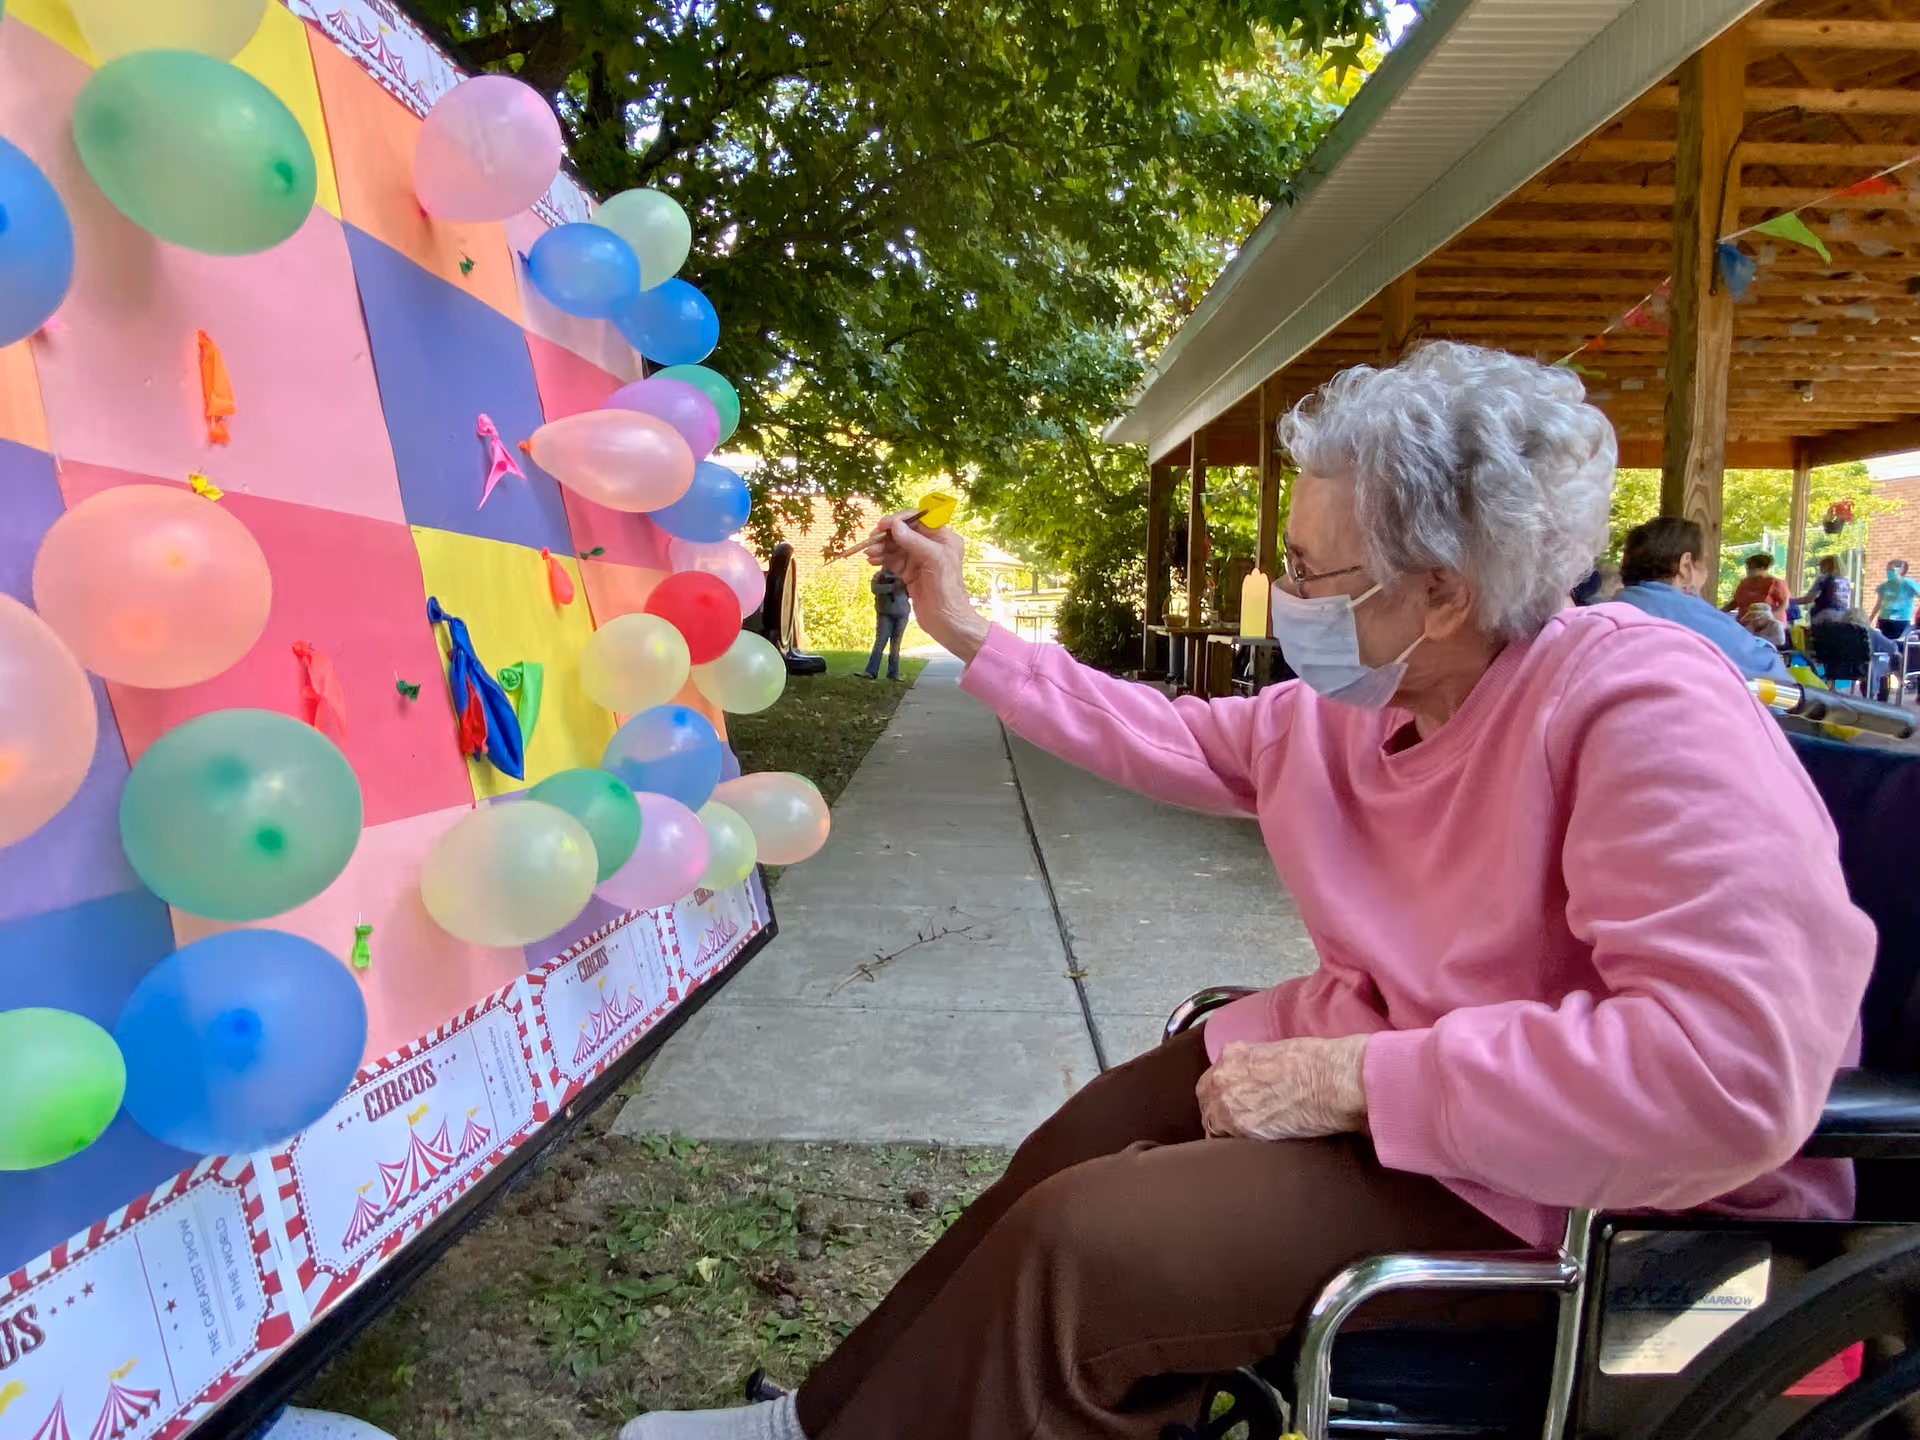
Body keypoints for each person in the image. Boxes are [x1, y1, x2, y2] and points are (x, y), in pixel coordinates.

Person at [621, 343, 1871, 1440]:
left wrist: (1352, 1080)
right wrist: (961, 626)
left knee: (1090, 1250)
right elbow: (1163, 734)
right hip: (1402, 1089)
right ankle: (820, 1421)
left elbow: (1725, 1073)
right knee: (1069, 1149)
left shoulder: (1642, 706)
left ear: (1441, 590)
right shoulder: (1359, 704)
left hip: (1587, 1186)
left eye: (1316, 574)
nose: (1285, 602)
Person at [1612, 516, 1794, 683]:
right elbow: (1775, 677)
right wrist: (1765, 641)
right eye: (1705, 561)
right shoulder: (1687, 615)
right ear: (1685, 566)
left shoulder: (1610, 609)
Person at [862, 567, 910, 681]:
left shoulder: (905, 575)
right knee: (880, 642)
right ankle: (871, 671)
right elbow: (875, 589)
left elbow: (913, 592)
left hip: (902, 613)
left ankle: (893, 674)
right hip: (885, 613)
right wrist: (893, 586)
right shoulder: (880, 576)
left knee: (895, 645)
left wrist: (906, 584)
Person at [1725, 552, 1791, 626]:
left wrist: (1770, 617)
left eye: (1751, 567)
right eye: (1747, 567)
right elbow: (1735, 602)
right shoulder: (1744, 582)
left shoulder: (1776, 583)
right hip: (1745, 623)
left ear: (1762, 568)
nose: (1748, 569)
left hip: (1769, 625)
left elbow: (1784, 604)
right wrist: (1718, 612)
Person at [1870, 558, 1919, 643]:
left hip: (1901, 620)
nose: (1889, 572)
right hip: (1883, 620)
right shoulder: (1883, 586)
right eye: (1888, 570)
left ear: (1901, 570)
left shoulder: (1908, 583)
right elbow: (1879, 603)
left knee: (1899, 645)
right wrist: (1870, 619)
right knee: (1882, 644)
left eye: (1892, 570)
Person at [1798, 555, 1853, 625]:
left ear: (1826, 566)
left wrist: (1790, 601)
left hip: (1825, 616)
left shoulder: (1823, 579)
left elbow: (1809, 598)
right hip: (1843, 617)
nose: (1819, 568)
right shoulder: (1845, 581)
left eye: (1821, 565)